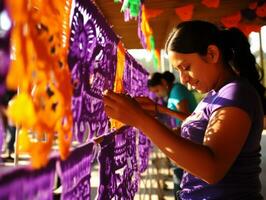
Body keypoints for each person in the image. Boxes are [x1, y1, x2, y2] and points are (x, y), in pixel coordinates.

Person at [103, 20, 265, 199]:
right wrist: (155, 113)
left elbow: (211, 169)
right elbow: (197, 132)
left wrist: (140, 119)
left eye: (186, 67)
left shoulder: (235, 92)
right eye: (179, 71)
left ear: (211, 54)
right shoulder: (215, 95)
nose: (184, 79)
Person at [148, 71, 197, 198]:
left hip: (189, 144)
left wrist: (168, 134)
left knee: (180, 187)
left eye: (157, 90)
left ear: (164, 83)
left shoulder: (177, 91)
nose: (157, 94)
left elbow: (187, 118)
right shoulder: (173, 92)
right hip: (185, 142)